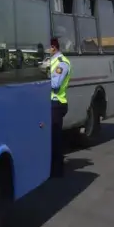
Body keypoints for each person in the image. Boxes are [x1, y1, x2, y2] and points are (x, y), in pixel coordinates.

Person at [48, 37, 71, 178]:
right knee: (51, 137)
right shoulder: (51, 61)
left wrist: (41, 77)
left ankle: (57, 170)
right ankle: (52, 167)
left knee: (55, 137)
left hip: (57, 103)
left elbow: (55, 84)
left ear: (53, 47)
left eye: (48, 48)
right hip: (51, 103)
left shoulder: (62, 63)